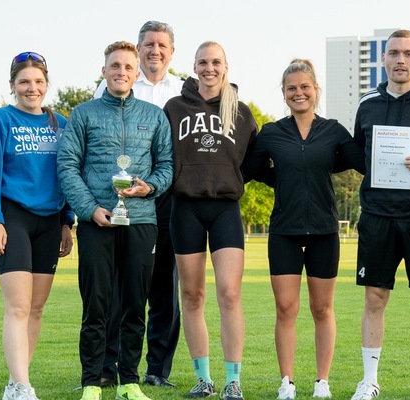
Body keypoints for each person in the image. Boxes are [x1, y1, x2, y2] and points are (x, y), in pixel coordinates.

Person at [242, 59, 365, 400]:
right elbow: (251, 169)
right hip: (284, 230)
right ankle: (287, 382)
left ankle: (322, 382)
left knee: (322, 309)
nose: (299, 93)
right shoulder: (271, 133)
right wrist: (282, 179)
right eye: (291, 88)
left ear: (315, 90)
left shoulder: (334, 131)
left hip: (325, 230)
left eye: (304, 87)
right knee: (286, 308)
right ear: (284, 94)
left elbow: (362, 162)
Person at [57, 41, 173, 400]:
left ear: (136, 73)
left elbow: (167, 166)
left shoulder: (154, 117)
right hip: (97, 223)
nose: (121, 72)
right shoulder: (84, 114)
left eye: (127, 67)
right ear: (103, 70)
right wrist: (90, 209)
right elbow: (67, 166)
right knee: (96, 303)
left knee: (135, 304)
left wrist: (148, 187)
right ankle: (92, 381)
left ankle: (130, 381)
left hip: (140, 221)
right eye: (114, 66)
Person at [349, 29, 410, 400]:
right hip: (376, 217)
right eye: (393, 53)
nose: (400, 60)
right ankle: (370, 380)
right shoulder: (367, 103)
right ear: (384, 59)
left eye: (408, 53)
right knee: (374, 297)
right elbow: (359, 155)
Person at [0, 51, 74, 400]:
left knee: (35, 307)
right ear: (12, 86)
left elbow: (65, 175)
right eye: (24, 82)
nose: (31, 88)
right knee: (17, 306)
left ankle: (18, 381)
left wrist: (67, 221)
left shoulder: (60, 124)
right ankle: (21, 386)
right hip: (12, 217)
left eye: (38, 82)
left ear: (46, 84)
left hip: (50, 222)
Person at [163, 41, 258, 400]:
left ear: (226, 66)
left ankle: (233, 380)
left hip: (224, 209)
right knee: (191, 294)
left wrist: (226, 181)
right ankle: (203, 378)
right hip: (184, 207)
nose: (209, 68)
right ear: (195, 66)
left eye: (216, 62)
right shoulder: (174, 108)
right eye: (203, 62)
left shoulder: (242, 112)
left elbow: (250, 161)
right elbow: (164, 154)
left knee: (230, 294)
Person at [92, 20, 184, 389]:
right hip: (120, 201)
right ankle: (108, 367)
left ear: (172, 51)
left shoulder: (183, 90)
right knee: (118, 287)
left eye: (161, 45)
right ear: (138, 48)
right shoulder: (114, 83)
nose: (154, 51)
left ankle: (157, 369)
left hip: (166, 199)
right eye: (147, 44)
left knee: (164, 286)